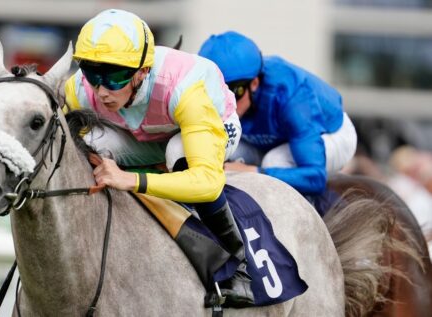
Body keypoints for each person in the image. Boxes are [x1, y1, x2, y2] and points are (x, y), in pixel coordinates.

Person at [64, 9, 252, 306]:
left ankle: (241, 265)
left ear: (142, 71)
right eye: (92, 73)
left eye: (114, 78)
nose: (100, 91)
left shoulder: (185, 87)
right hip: (145, 135)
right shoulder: (79, 90)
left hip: (211, 126)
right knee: (84, 143)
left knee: (178, 153)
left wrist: (130, 179)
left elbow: (207, 183)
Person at [198, 31, 357, 196]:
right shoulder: (239, 91)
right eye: (214, 92)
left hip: (331, 134)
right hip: (274, 137)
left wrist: (253, 170)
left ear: (254, 83)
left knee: (274, 161)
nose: (225, 103)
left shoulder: (291, 98)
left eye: (233, 91)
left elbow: (314, 177)